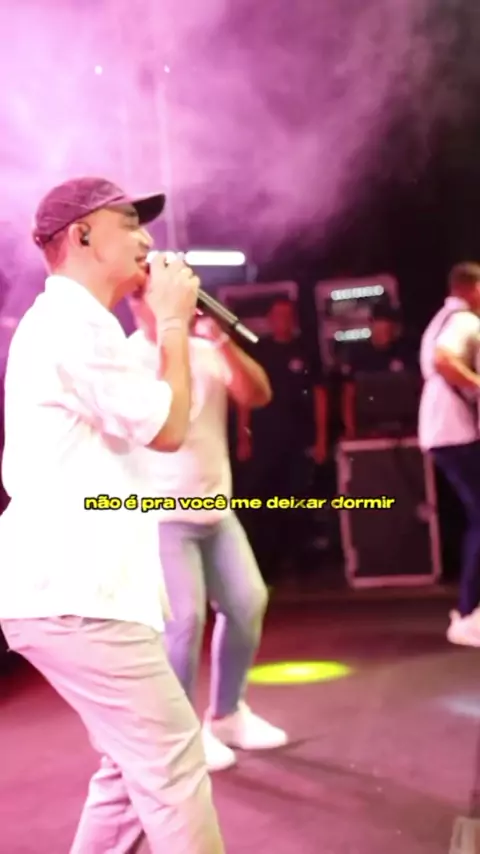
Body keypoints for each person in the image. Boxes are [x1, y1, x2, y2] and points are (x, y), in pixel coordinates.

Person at [0, 177, 225, 853]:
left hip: (77, 593)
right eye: (128, 223)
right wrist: (175, 323)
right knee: (174, 763)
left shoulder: (80, 325)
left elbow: (157, 419)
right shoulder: (71, 325)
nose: (146, 238)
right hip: (78, 594)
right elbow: (168, 428)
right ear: (82, 236)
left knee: (131, 773)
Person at [127, 294, 288, 772]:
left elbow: (257, 394)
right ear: (138, 305)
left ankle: (227, 715)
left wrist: (221, 342)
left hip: (215, 509)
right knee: (184, 621)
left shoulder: (205, 348)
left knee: (247, 602)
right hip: (161, 512)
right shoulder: (128, 358)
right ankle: (179, 738)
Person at [236, 296, 327, 581]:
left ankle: (301, 563)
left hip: (299, 440)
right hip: (265, 439)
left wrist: (321, 438)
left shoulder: (306, 350)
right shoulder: (258, 350)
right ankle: (266, 564)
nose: (283, 321)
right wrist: (244, 435)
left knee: (297, 501)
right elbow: (245, 395)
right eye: (278, 315)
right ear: (270, 319)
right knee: (262, 502)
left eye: (288, 315)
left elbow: (320, 395)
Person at [419, 262, 480, 647]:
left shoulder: (441, 319)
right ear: (472, 288)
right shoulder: (464, 321)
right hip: (455, 431)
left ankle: (470, 609)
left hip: (443, 430)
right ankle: (469, 612)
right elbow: (444, 361)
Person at [340, 302, 417, 438]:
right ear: (372, 323)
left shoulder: (405, 352)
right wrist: (350, 429)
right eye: (382, 322)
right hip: (368, 428)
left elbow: (418, 388)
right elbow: (349, 394)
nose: (386, 327)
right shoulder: (357, 353)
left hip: (403, 428)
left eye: (390, 323)